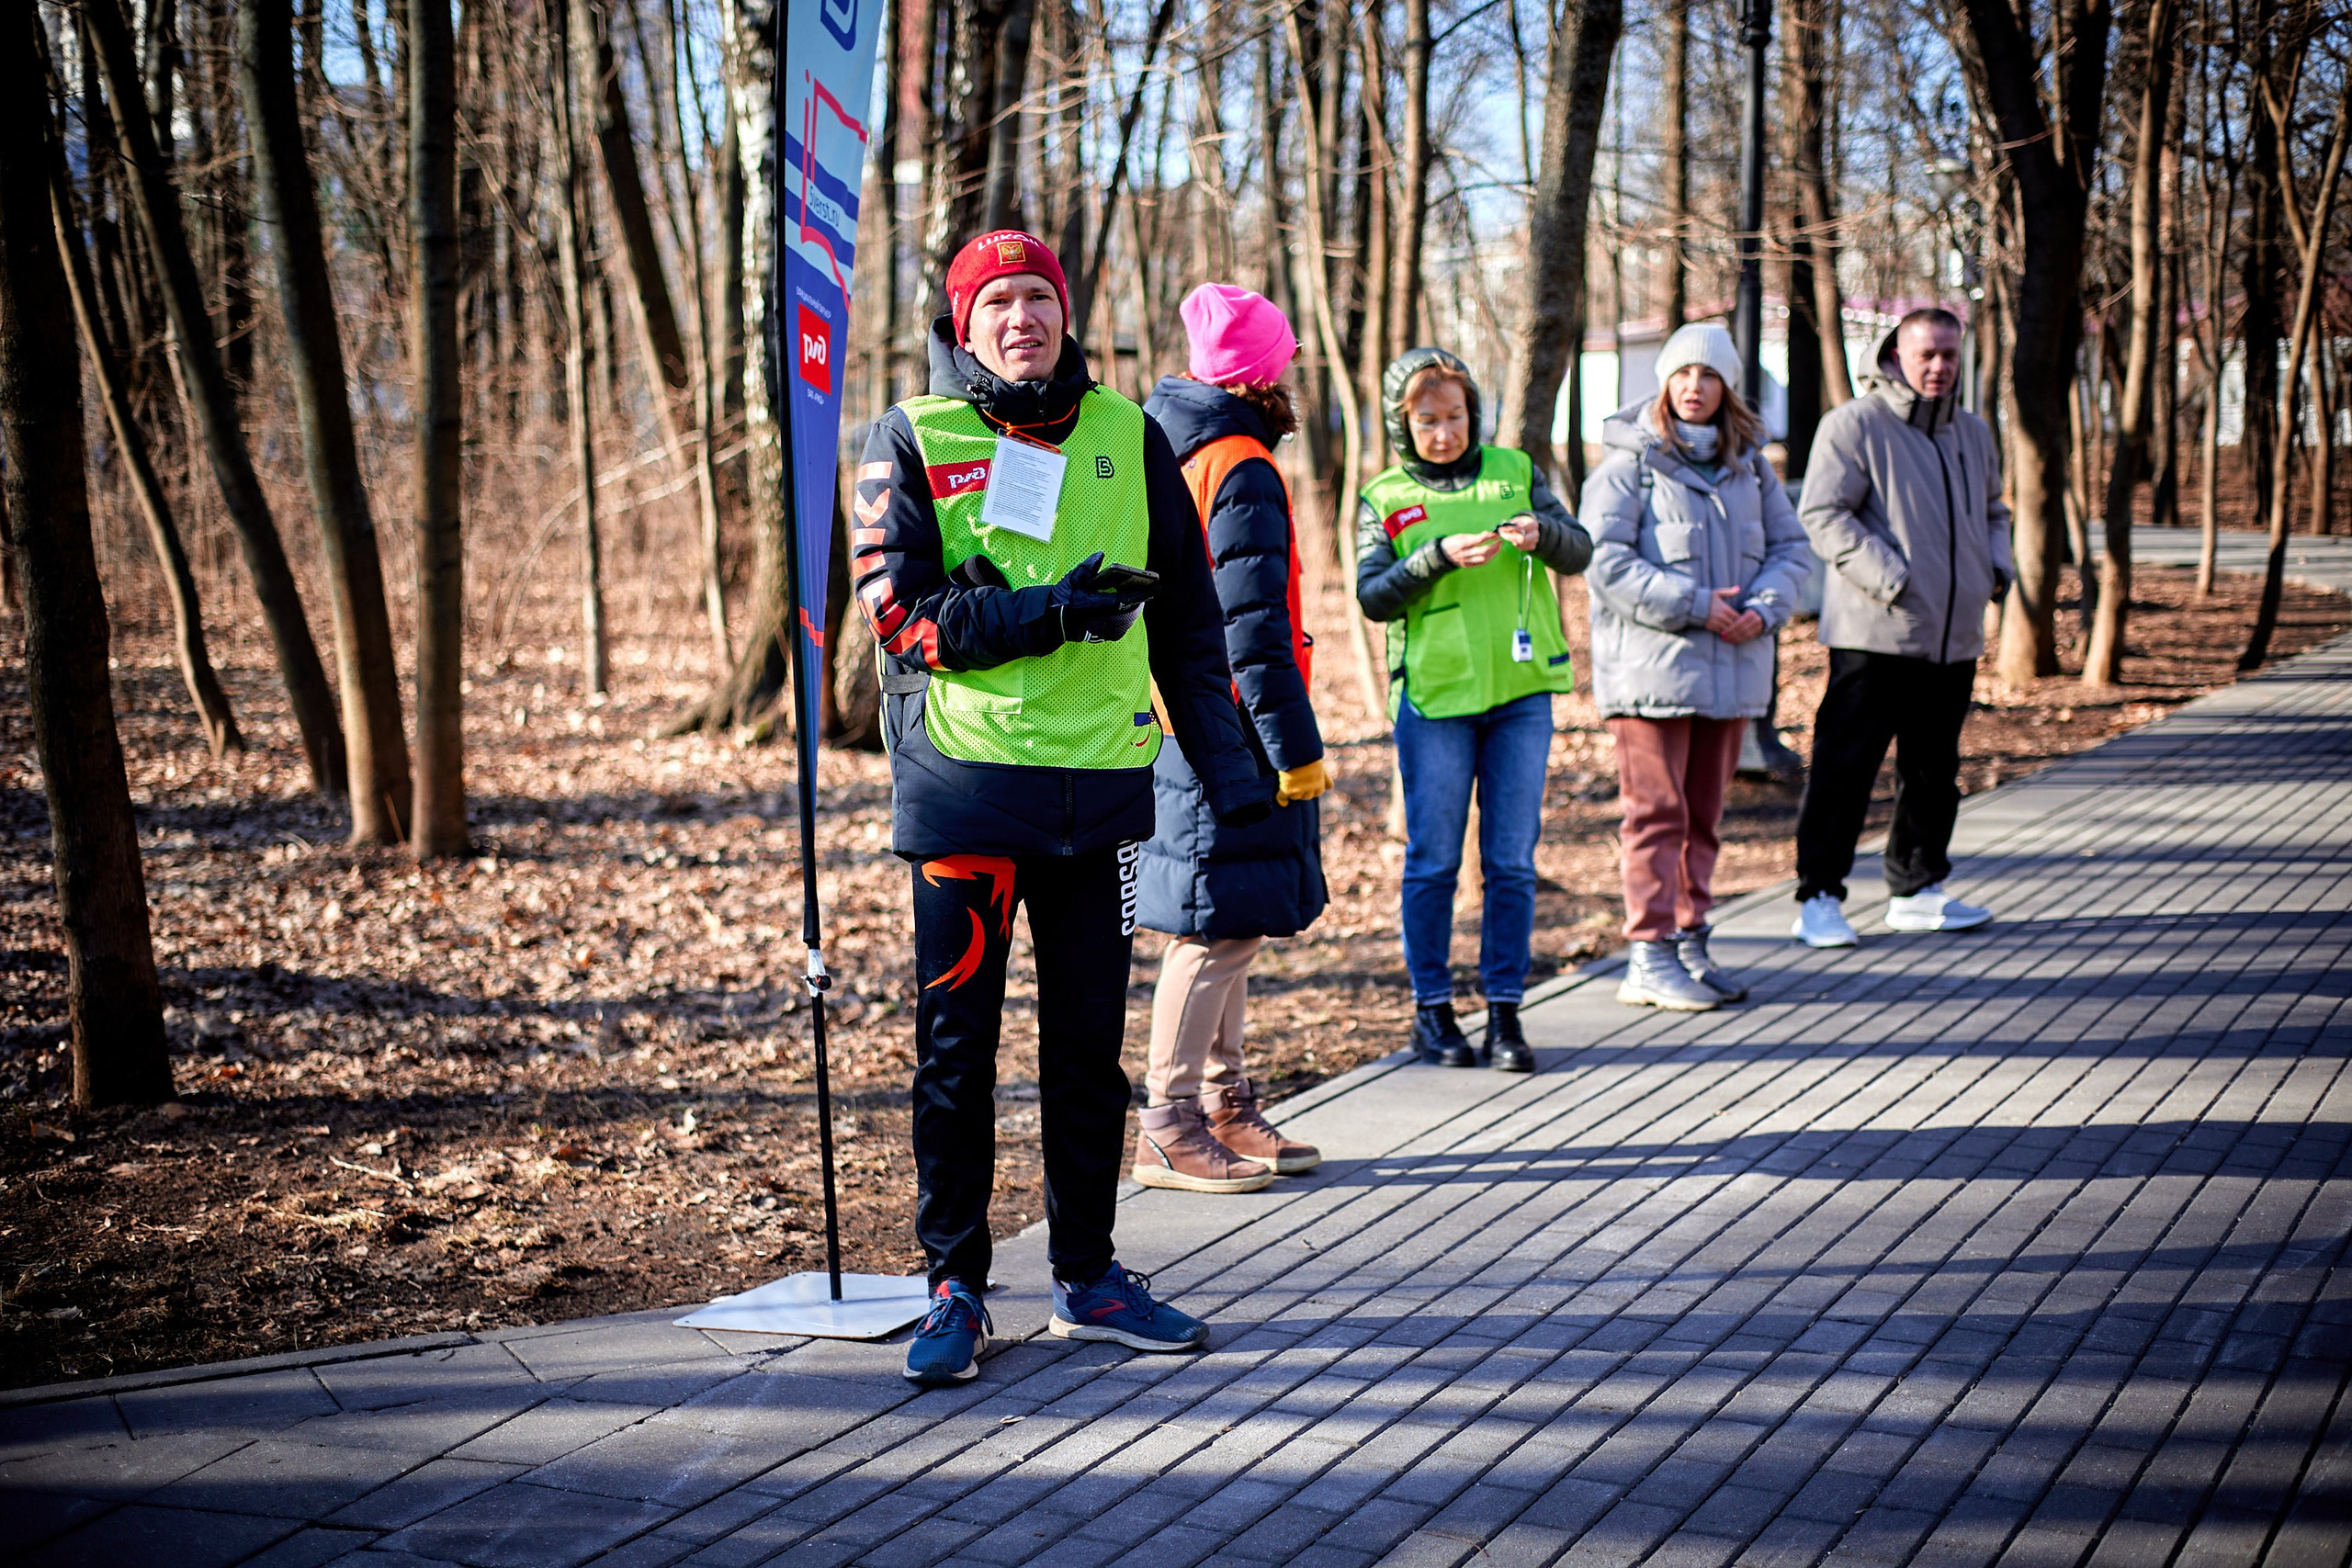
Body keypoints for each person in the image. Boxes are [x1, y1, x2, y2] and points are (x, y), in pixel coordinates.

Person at [853, 231, 1272, 1385]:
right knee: (956, 1053)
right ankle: (955, 1287)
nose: (1021, 318)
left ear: (1064, 311)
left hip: (1099, 800)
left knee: (1088, 1055)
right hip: (966, 796)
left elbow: (1192, 625)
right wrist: (1045, 614)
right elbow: (902, 622)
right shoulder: (910, 435)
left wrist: (1232, 775)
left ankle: (1087, 1277)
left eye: (1038, 296)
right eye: (997, 303)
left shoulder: (1128, 434)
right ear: (963, 322)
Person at [1133, 284, 1329, 1194]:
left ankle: (1224, 1102)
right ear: (1264, 373)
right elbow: (1251, 626)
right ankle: (1169, 1119)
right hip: (1230, 728)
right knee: (1210, 933)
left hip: (1181, 719)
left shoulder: (1171, 444)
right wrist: (1294, 749)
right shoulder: (1239, 461)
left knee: (1227, 920)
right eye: (1285, 359)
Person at [1355, 347, 1593, 1071]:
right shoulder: (1387, 496)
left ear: (1473, 414)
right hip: (1435, 701)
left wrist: (1542, 534)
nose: (1444, 433)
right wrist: (1431, 558)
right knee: (1432, 862)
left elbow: (1578, 550)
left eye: (1455, 417)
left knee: (1512, 863)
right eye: (1427, 421)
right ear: (1404, 424)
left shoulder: (1515, 473)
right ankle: (1432, 1012)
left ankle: (1506, 1013)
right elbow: (1372, 595)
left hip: (1521, 698)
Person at [1582, 323, 1814, 1010]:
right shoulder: (1630, 464)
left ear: (1727, 388)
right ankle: (1647, 954)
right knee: (1657, 814)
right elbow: (1604, 561)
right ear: (1664, 383)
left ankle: (1689, 939)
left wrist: (1766, 607)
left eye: (1708, 376)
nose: (1693, 387)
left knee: (1704, 814)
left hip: (1731, 671)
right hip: (1651, 676)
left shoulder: (1751, 466)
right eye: (1682, 374)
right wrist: (1693, 604)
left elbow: (1791, 549)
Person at [1791, 306, 2012, 947]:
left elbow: (1995, 511)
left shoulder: (1971, 432)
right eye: (1927, 354)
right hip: (1873, 634)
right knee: (1845, 769)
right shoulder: (1854, 425)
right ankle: (1820, 897)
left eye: (1949, 354)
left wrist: (1994, 570)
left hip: (1954, 634)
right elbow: (1824, 513)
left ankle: (1916, 888)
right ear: (1895, 355)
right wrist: (1891, 577)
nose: (1940, 366)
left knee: (1933, 770)